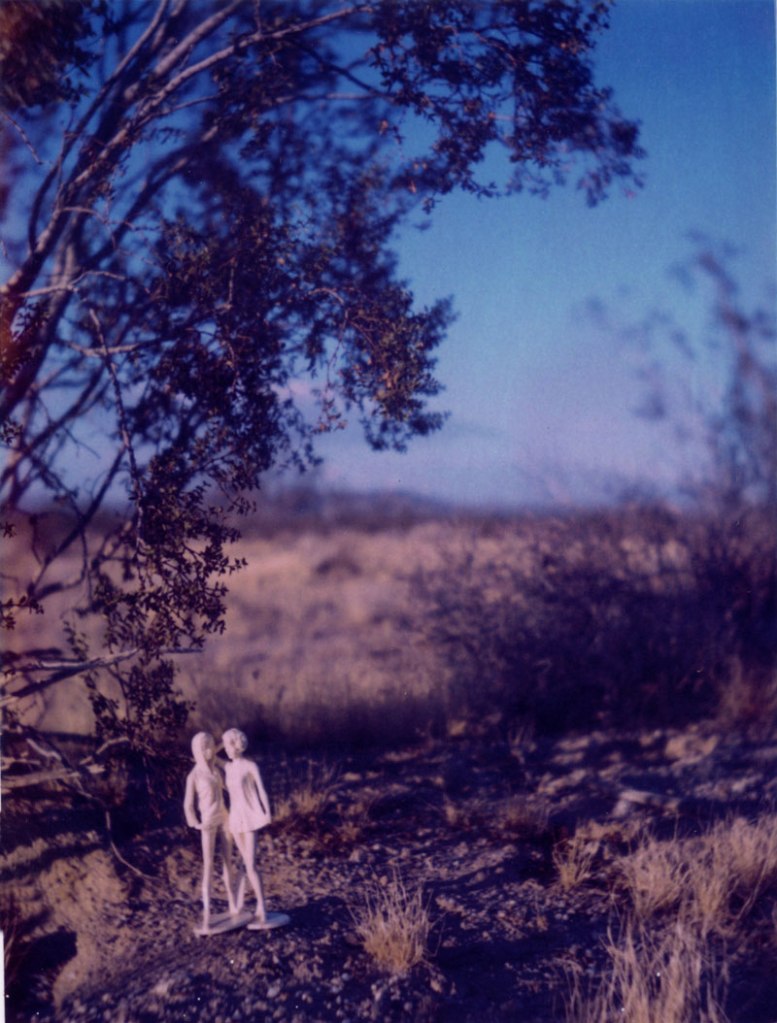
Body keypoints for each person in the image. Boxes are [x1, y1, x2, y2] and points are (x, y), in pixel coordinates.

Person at [183, 731, 239, 930]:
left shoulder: (215, 768)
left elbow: (228, 783)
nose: (209, 750)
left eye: (210, 745)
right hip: (207, 822)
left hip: (224, 818)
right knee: (208, 866)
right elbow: (188, 805)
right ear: (198, 750)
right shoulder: (194, 776)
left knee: (227, 861)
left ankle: (233, 904)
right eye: (204, 747)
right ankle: (207, 912)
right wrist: (195, 823)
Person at [221, 727, 271, 926]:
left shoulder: (250, 766)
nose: (226, 749)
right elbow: (208, 757)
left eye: (228, 745)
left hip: (250, 816)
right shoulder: (228, 767)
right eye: (225, 745)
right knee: (244, 864)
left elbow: (261, 790)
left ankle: (262, 906)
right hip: (235, 818)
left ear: (237, 745)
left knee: (250, 865)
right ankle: (245, 906)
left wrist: (267, 813)